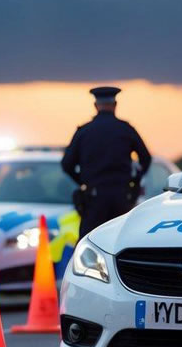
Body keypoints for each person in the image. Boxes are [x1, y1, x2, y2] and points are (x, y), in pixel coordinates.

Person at [61, 86, 151, 237]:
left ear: (96, 106)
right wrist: (134, 182)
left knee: (89, 242)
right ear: (115, 105)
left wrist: (83, 182)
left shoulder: (84, 131)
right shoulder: (125, 129)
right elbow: (146, 159)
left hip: (94, 198)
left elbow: (67, 164)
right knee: (122, 240)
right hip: (121, 197)